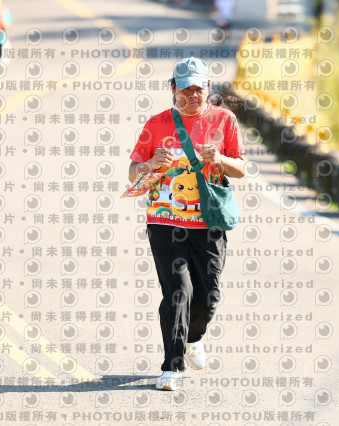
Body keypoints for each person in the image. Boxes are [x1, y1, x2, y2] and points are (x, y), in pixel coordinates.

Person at [128, 57, 246, 391]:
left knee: (208, 297)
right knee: (178, 291)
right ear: (173, 88)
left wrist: (218, 159)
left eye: (199, 89)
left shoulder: (225, 120)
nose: (192, 95)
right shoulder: (157, 123)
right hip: (165, 222)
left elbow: (240, 169)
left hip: (207, 223)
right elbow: (133, 173)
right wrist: (150, 163)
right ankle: (172, 367)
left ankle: (193, 337)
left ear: (208, 88)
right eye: (185, 89)